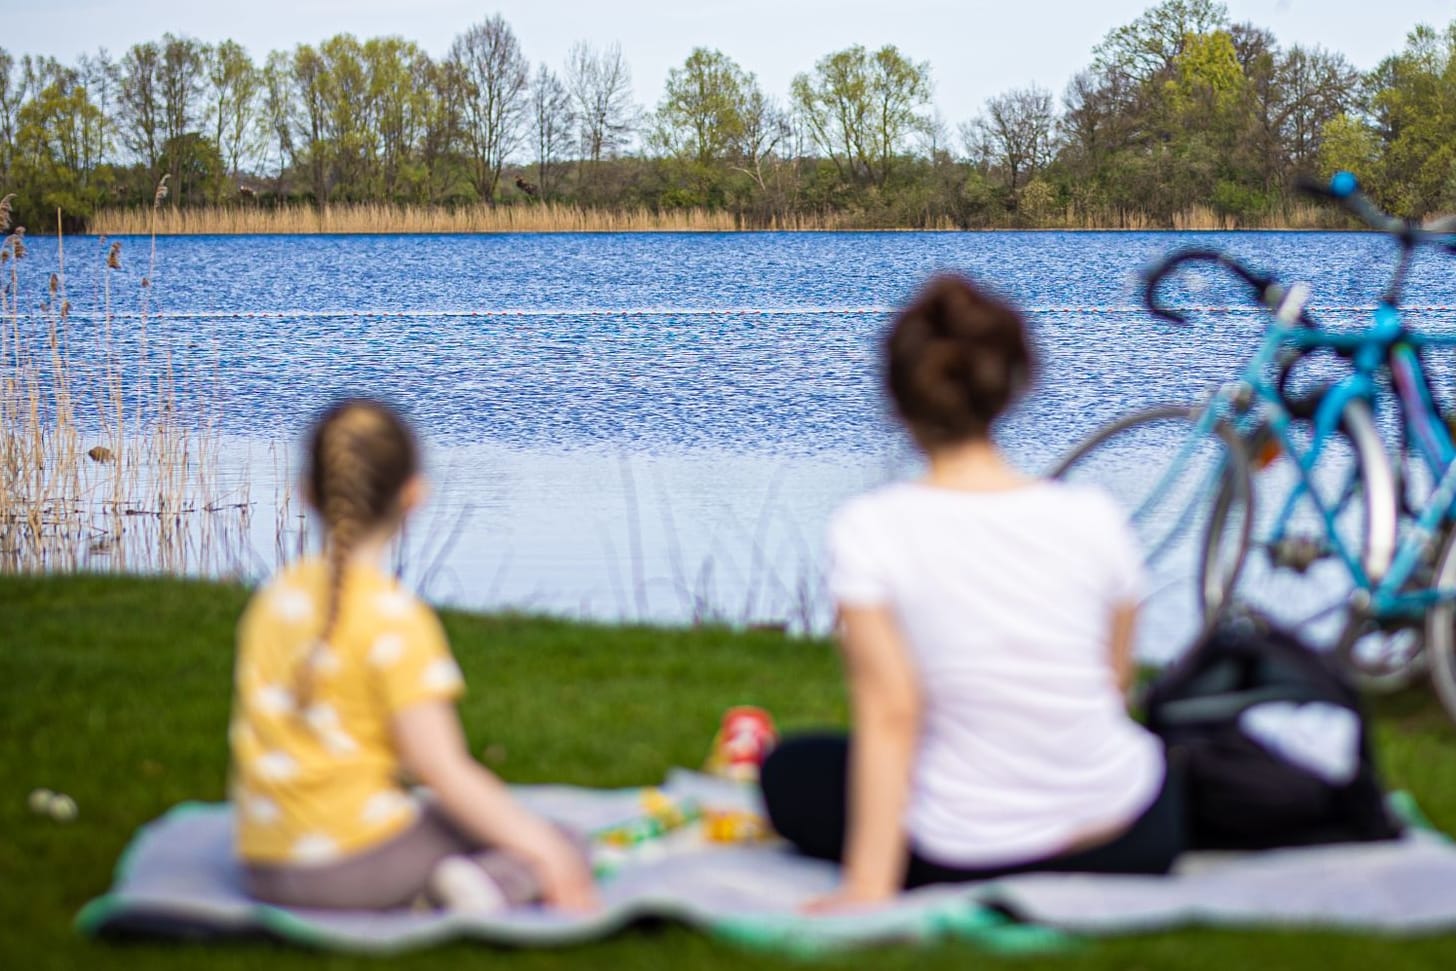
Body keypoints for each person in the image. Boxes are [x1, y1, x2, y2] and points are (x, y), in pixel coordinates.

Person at [760, 275, 1183, 910]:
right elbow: (1108, 686)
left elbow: (893, 713)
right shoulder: (1097, 518)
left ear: (897, 399)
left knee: (789, 771)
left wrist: (868, 885)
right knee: (1154, 757)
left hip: (962, 844)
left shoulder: (871, 528)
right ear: (1016, 386)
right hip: (1128, 831)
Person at [228, 399, 597, 912]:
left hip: (262, 865)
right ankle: (479, 888)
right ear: (414, 494)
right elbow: (441, 770)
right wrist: (549, 852)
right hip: (349, 871)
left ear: (307, 493)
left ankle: (451, 880)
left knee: (472, 825)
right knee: (558, 841)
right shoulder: (395, 619)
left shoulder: (273, 601)